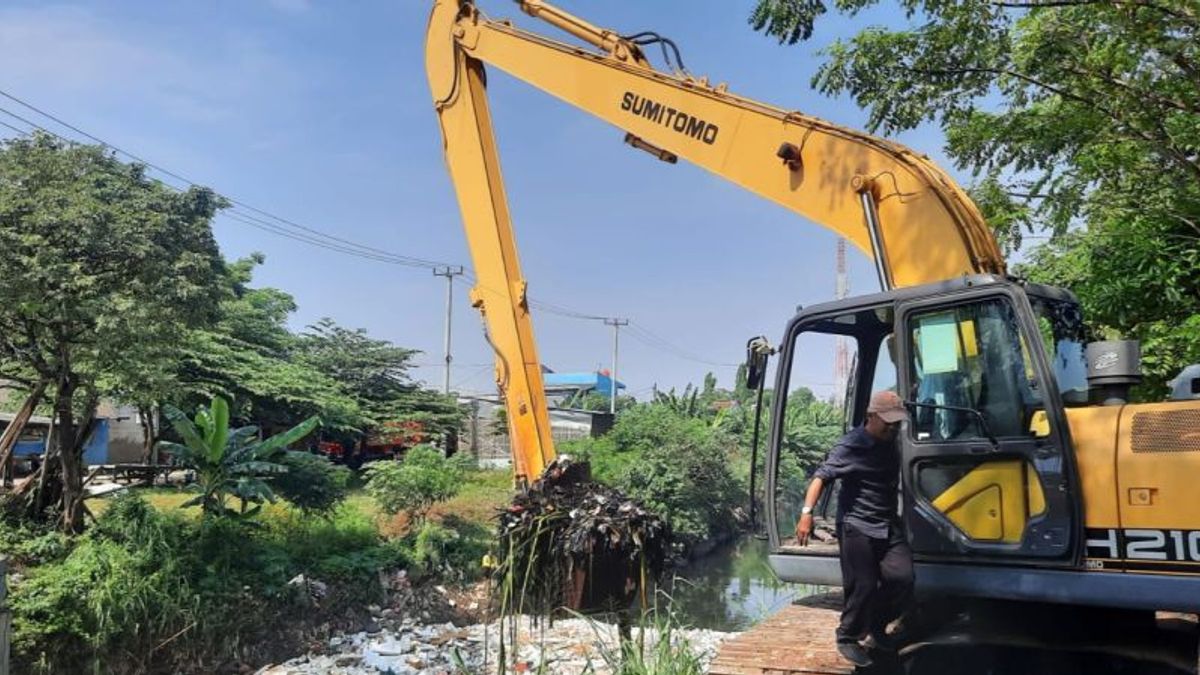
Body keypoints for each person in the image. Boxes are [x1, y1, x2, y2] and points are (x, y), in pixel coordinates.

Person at [795, 390, 914, 668]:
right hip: (856, 524)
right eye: (888, 422)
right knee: (863, 585)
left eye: (897, 422)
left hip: (886, 522)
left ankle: (877, 623)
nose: (893, 427)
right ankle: (847, 636)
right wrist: (806, 515)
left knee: (903, 578)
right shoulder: (851, 445)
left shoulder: (891, 439)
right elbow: (820, 478)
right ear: (870, 417)